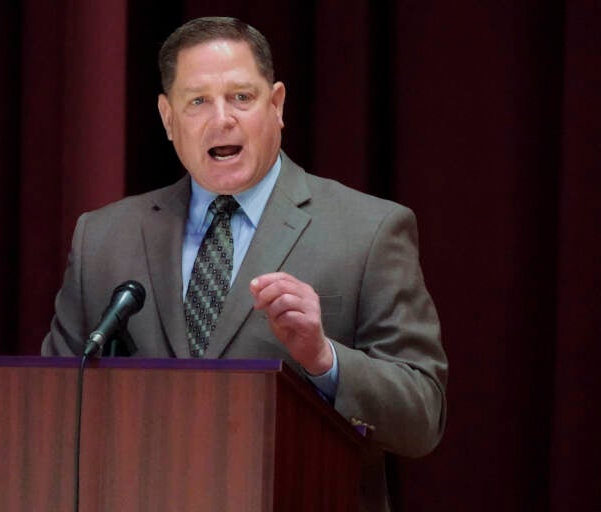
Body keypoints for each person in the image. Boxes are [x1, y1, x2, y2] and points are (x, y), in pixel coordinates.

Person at [42, 16, 447, 511]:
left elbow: (423, 417)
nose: (221, 119)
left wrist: (324, 359)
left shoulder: (369, 231)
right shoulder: (104, 238)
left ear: (277, 105)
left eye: (241, 97)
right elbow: (54, 405)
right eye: (197, 102)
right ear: (168, 119)